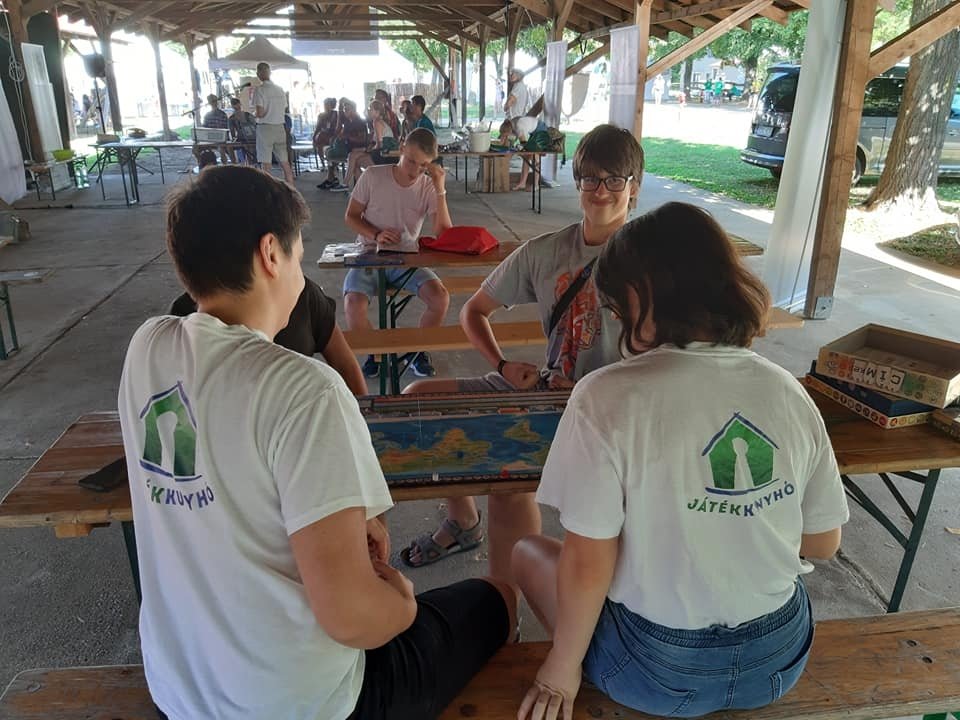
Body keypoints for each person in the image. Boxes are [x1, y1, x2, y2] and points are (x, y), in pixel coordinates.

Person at [118, 164, 517, 720]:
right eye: (299, 258)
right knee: (496, 600)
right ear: (270, 255)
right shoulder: (303, 388)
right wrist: (401, 605)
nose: (301, 276)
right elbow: (352, 619)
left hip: (180, 693)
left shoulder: (147, 348)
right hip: (300, 703)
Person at [512, 201, 849, 720]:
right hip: (778, 659)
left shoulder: (604, 396)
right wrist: (734, 522)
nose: (615, 322)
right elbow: (823, 543)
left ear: (640, 296)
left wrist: (560, 667)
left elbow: (588, 562)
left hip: (656, 673)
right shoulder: (786, 389)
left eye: (616, 308)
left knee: (527, 551)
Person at [400, 125, 644, 571]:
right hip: (548, 395)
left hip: (619, 413)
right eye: (590, 178)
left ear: (634, 187)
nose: (601, 191)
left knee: (554, 497)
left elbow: (684, 351)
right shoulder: (544, 252)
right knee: (421, 402)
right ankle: (466, 526)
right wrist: (503, 364)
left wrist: (600, 391)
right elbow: (474, 311)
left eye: (614, 180)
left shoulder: (652, 261)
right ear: (577, 182)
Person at [343, 128, 451, 379]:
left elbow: (444, 233)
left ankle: (417, 352)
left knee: (440, 299)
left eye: (423, 165)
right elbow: (351, 216)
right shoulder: (373, 176)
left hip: (407, 257)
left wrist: (440, 189)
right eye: (411, 161)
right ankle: (376, 354)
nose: (415, 170)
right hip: (369, 253)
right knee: (353, 304)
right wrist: (375, 234)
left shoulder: (428, 186)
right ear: (401, 149)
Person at [169, 278, 367, 396]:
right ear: (269, 254)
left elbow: (345, 364)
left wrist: (364, 426)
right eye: (293, 256)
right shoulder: (184, 316)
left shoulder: (305, 294)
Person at [339, 100, 396, 192]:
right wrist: (366, 149)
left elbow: (380, 145)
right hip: (383, 153)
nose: (368, 110)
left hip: (383, 156)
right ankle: (360, 188)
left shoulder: (377, 122)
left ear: (377, 112)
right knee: (352, 156)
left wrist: (367, 151)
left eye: (370, 109)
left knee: (353, 159)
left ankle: (353, 186)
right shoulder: (379, 121)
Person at [253, 62, 295, 184]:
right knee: (285, 162)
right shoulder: (280, 90)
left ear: (258, 73)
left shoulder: (260, 90)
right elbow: (284, 108)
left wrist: (254, 114)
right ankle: (292, 188)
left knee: (266, 164)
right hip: (280, 127)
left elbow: (260, 113)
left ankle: (267, 190)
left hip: (265, 128)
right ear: (270, 72)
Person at [322, 99, 367, 192]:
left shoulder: (359, 122)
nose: (345, 111)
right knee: (353, 166)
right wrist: (341, 136)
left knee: (332, 154)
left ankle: (344, 183)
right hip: (348, 148)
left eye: (347, 109)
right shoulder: (347, 122)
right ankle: (362, 188)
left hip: (357, 148)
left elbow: (362, 139)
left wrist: (347, 137)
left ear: (353, 110)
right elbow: (338, 132)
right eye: (344, 109)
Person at [499, 116, 547, 191]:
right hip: (534, 130)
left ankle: (536, 185)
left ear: (509, 131)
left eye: (506, 135)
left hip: (540, 129)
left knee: (534, 157)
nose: (505, 137)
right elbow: (510, 143)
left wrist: (518, 151)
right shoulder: (510, 124)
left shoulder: (519, 127)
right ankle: (522, 183)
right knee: (526, 157)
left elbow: (524, 146)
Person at [195, 94, 234, 165]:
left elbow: (225, 129)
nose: (213, 103)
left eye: (214, 101)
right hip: (209, 139)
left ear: (217, 102)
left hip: (220, 140)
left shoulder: (222, 114)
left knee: (222, 149)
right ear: (209, 103)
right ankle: (202, 165)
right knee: (195, 149)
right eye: (211, 101)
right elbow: (204, 129)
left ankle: (225, 166)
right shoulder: (207, 115)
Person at [313, 97, 340, 187]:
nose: (326, 106)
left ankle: (331, 175)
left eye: (327, 104)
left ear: (331, 105)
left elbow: (339, 128)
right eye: (324, 105)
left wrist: (335, 137)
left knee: (331, 154)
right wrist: (314, 138)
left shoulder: (336, 114)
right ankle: (325, 166)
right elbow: (318, 127)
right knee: (320, 145)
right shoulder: (321, 115)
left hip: (334, 137)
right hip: (324, 137)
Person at [228, 97, 257, 164]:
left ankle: (234, 164)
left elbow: (232, 133)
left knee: (229, 147)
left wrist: (234, 139)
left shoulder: (232, 118)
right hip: (252, 138)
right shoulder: (248, 115)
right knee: (248, 149)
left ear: (232, 106)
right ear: (240, 104)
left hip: (242, 139)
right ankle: (250, 163)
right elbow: (255, 126)